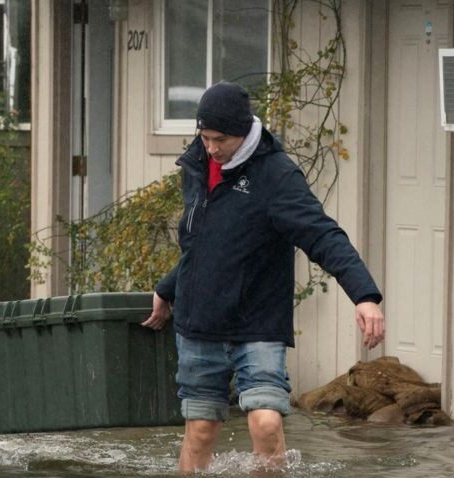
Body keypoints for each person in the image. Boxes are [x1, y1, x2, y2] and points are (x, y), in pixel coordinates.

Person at [141, 82, 385, 472]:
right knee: (201, 430)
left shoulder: (276, 176)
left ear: (244, 131)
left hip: (257, 322)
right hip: (200, 321)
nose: (211, 148)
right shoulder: (198, 166)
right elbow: (205, 244)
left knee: (266, 422)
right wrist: (167, 289)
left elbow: (322, 234)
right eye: (204, 137)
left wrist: (364, 295)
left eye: (220, 139)